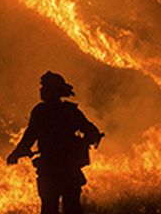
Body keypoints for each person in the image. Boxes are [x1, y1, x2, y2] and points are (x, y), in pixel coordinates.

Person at [6, 71, 102, 214]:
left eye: (45, 87)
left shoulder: (42, 112)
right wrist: (84, 141)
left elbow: (29, 137)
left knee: (56, 209)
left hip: (55, 170)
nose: (41, 90)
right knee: (68, 208)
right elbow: (92, 132)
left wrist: (16, 153)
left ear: (53, 91)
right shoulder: (68, 111)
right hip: (64, 170)